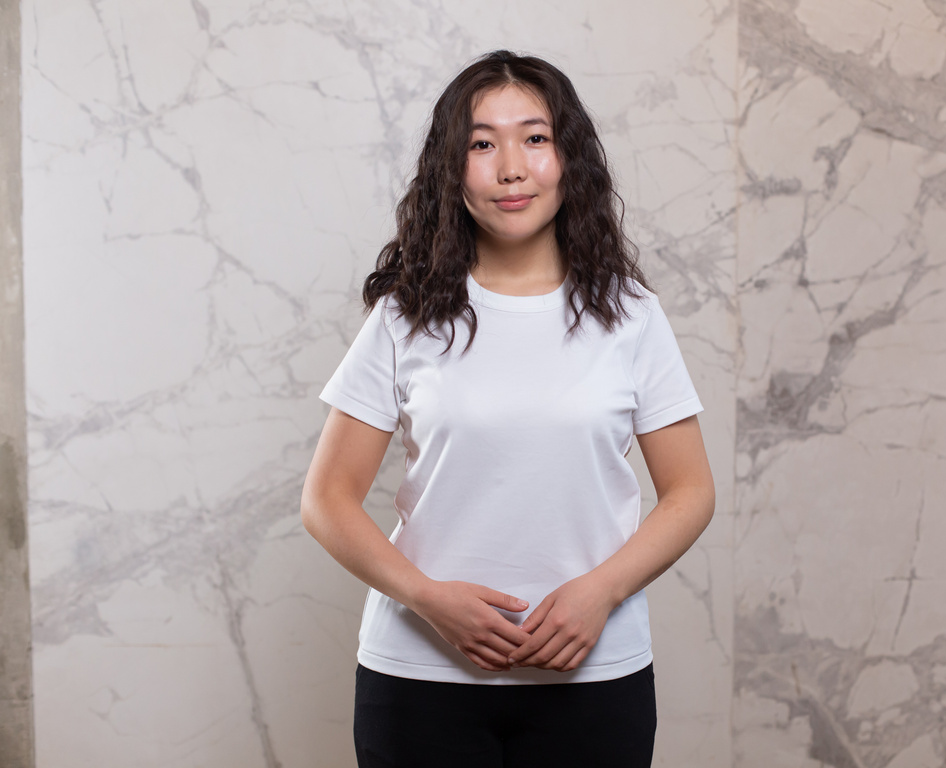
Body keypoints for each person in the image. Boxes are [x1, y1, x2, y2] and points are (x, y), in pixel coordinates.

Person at [300, 49, 715, 768]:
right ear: (450, 169)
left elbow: (691, 491)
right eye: (481, 144)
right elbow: (326, 499)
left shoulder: (631, 316)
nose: (511, 167)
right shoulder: (406, 318)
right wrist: (427, 598)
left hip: (596, 678)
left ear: (568, 159)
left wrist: (601, 592)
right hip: (419, 680)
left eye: (535, 138)